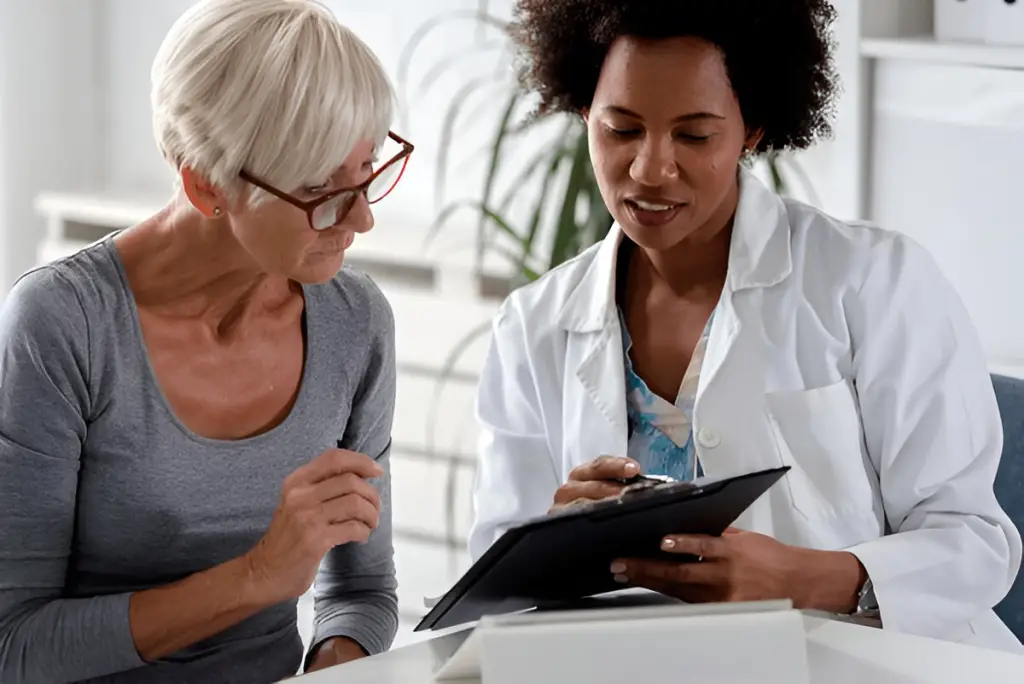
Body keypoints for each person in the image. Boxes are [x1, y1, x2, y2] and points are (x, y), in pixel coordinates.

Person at [468, 0, 1023, 652]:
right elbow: (490, 590)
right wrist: (554, 542)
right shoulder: (534, 326)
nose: (649, 168)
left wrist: (808, 578)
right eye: (621, 129)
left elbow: (973, 543)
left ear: (753, 128)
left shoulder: (873, 282)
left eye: (694, 135)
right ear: (585, 110)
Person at [0, 1, 415, 682]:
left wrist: (337, 665)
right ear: (205, 183)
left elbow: (360, 592)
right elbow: (13, 646)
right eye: (322, 192)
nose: (362, 219)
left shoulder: (355, 322)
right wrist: (256, 577)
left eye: (367, 171)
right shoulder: (64, 324)